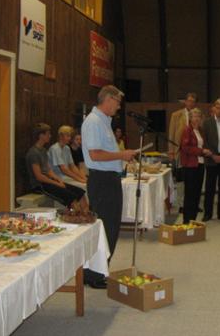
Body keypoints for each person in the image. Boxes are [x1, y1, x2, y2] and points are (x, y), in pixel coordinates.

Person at [81, 85, 137, 289]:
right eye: (118, 102)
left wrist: (122, 158)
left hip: (109, 179)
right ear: (108, 99)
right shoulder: (93, 121)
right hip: (102, 180)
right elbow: (95, 154)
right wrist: (122, 155)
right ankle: (94, 274)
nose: (119, 107)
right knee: (105, 227)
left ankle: (98, 270)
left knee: (110, 226)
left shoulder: (104, 121)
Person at [25, 123, 88, 210]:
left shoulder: (43, 150)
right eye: (48, 134)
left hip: (49, 181)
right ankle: (78, 216)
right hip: (40, 185)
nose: (50, 136)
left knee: (80, 193)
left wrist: (58, 180)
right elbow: (39, 177)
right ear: (41, 136)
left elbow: (48, 170)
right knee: (72, 197)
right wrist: (56, 183)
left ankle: (86, 215)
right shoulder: (33, 153)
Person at [180, 108, 212, 224]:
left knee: (197, 193)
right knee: (190, 194)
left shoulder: (200, 130)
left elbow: (203, 145)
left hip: (200, 164)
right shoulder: (187, 130)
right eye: (194, 116)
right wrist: (202, 151)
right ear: (190, 118)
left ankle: (192, 220)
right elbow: (185, 148)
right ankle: (186, 221)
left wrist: (207, 151)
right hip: (190, 165)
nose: (197, 118)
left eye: (199, 116)